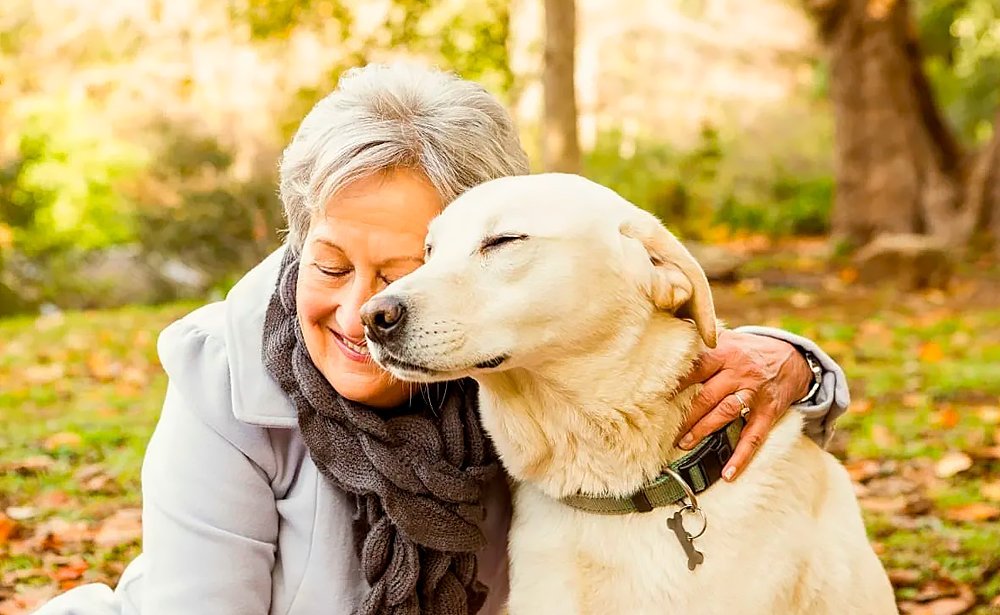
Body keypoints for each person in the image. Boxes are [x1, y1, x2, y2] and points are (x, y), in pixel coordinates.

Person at [37, 63, 849, 615]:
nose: (368, 309)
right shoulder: (224, 374)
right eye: (327, 263)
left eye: (406, 267)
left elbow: (626, 319)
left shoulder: (505, 363)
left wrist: (797, 362)